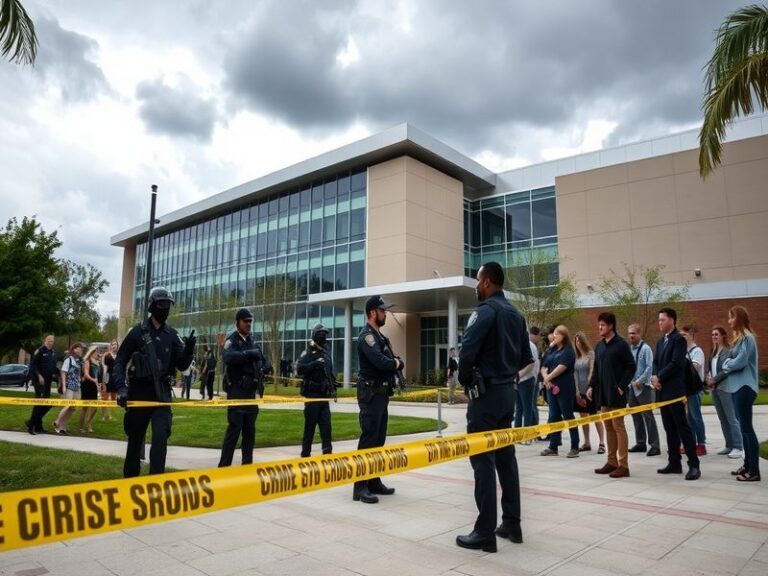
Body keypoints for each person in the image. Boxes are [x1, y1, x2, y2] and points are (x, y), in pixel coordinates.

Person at [456, 262, 532, 553]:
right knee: (505, 457)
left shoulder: (485, 311)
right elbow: (526, 357)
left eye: (477, 280)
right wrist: (504, 373)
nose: (476, 286)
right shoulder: (516, 314)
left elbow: (466, 354)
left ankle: (484, 531)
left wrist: (468, 382)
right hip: (507, 393)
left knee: (483, 460)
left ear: (486, 282)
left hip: (485, 397)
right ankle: (512, 523)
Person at [113, 287, 195, 477]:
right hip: (139, 393)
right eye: (162, 304)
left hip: (162, 394)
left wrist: (189, 350)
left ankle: (155, 484)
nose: (165, 308)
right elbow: (120, 361)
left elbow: (182, 365)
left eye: (168, 305)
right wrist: (121, 388)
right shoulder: (137, 332)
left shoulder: (172, 335)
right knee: (135, 441)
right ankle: (130, 482)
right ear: (152, 305)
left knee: (160, 439)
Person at [353, 295, 402, 505]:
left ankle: (373, 481)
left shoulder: (380, 337)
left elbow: (387, 361)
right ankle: (359, 486)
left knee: (379, 441)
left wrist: (394, 362)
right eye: (383, 311)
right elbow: (381, 362)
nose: (385, 314)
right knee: (368, 440)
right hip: (370, 395)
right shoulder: (367, 337)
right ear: (373, 313)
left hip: (381, 395)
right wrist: (397, 363)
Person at [711, 306, 760, 482]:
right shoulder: (740, 339)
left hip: (744, 388)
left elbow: (740, 362)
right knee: (743, 427)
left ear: (738, 318)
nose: (729, 321)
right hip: (737, 388)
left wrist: (727, 365)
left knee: (747, 429)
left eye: (731, 318)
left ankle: (754, 471)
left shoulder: (747, 338)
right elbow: (733, 358)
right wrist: (730, 362)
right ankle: (747, 464)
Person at [652, 307, 701, 481]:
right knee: (669, 428)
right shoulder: (660, 341)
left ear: (672, 320)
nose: (660, 323)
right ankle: (674, 462)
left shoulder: (678, 340)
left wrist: (660, 376)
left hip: (675, 391)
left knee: (683, 428)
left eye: (662, 320)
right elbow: (656, 362)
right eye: (659, 320)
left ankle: (694, 465)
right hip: (662, 392)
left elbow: (676, 363)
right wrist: (654, 377)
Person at [588, 312, 635, 479]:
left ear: (611, 326)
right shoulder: (599, 346)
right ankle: (611, 461)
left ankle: (623, 465)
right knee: (608, 427)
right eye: (599, 324)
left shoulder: (621, 345)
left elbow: (631, 366)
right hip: (603, 393)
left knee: (618, 427)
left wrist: (622, 386)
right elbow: (596, 369)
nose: (600, 327)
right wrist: (591, 386)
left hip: (616, 393)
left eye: (603, 325)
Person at [219, 308, 268, 467]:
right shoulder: (231, 341)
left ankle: (247, 466)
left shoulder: (252, 341)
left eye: (250, 321)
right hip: (237, 393)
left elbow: (264, 360)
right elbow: (227, 357)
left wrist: (265, 367)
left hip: (250, 395)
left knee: (249, 433)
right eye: (245, 321)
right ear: (237, 322)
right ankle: (223, 468)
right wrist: (248, 354)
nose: (248, 324)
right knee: (234, 432)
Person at [539, 325, 580, 458]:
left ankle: (575, 446)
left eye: (557, 334)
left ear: (563, 336)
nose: (554, 336)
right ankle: (553, 446)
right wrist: (546, 379)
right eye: (554, 334)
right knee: (554, 416)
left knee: (568, 415)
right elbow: (544, 366)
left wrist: (548, 377)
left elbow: (561, 367)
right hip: (551, 388)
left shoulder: (568, 352)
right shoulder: (552, 350)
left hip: (565, 388)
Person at [296, 323, 336, 457]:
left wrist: (333, 385)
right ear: (315, 335)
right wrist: (314, 364)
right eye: (321, 335)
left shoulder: (326, 352)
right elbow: (299, 369)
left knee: (326, 428)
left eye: (325, 335)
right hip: (312, 397)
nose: (324, 337)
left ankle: (327, 456)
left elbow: (330, 372)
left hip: (324, 397)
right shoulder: (308, 352)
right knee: (310, 429)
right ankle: (305, 456)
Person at [706, 326, 742, 459]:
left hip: (725, 388)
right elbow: (709, 369)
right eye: (712, 334)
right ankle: (729, 445)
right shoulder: (713, 351)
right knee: (722, 418)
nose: (714, 337)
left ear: (722, 336)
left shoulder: (728, 351)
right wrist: (707, 378)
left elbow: (727, 370)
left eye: (716, 334)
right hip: (715, 389)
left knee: (731, 418)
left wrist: (714, 379)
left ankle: (738, 447)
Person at [627, 324, 660, 456]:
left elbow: (649, 367)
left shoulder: (646, 349)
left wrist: (640, 381)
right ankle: (640, 443)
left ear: (640, 334)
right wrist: (630, 382)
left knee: (648, 417)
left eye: (634, 333)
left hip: (643, 388)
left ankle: (655, 446)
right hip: (631, 388)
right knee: (635, 416)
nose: (631, 336)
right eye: (629, 333)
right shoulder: (629, 349)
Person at [573, 332, 605, 453]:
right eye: (576, 341)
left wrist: (589, 386)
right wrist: (576, 391)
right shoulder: (576, 357)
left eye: (580, 341)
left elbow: (592, 369)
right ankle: (586, 442)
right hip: (579, 390)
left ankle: (602, 443)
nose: (578, 343)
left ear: (584, 341)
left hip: (590, 390)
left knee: (595, 415)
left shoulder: (591, 354)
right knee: (583, 417)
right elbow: (574, 374)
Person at [680, 325, 707, 455]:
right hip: (684, 389)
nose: (682, 338)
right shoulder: (682, 351)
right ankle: (690, 443)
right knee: (686, 418)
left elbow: (693, 368)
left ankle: (701, 444)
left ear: (691, 335)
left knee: (695, 417)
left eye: (684, 335)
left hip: (695, 390)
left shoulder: (697, 351)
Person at [25, 334, 57, 435]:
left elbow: (54, 368)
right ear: (45, 340)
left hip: (48, 382)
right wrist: (39, 376)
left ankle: (34, 423)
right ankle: (31, 427)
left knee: (47, 404)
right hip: (39, 381)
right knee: (39, 403)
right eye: (48, 340)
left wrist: (59, 377)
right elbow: (33, 365)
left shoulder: (53, 353)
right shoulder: (40, 351)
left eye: (52, 341)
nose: (50, 342)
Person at [53, 342, 84, 435]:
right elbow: (63, 372)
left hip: (77, 387)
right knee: (67, 405)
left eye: (81, 349)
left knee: (72, 408)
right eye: (78, 348)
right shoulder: (68, 360)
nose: (81, 350)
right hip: (69, 386)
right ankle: (57, 422)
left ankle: (63, 427)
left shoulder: (80, 361)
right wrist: (63, 386)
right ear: (74, 349)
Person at [514, 329, 539, 437]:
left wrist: (520, 375)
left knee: (527, 408)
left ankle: (528, 434)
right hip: (518, 380)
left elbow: (533, 363)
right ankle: (518, 433)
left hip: (527, 380)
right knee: (519, 408)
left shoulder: (530, 346)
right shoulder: (518, 344)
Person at [79, 346, 100, 433]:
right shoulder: (87, 361)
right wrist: (94, 380)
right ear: (92, 352)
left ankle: (89, 424)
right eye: (96, 352)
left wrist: (97, 384)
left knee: (95, 408)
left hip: (94, 385)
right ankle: (80, 427)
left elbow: (97, 375)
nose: (97, 353)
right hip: (87, 385)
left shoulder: (97, 362)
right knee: (85, 407)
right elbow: (86, 374)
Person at [101, 339, 119, 421]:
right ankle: (104, 415)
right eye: (113, 344)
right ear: (110, 346)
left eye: (115, 344)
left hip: (116, 378)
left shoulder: (119, 355)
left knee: (113, 398)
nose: (114, 346)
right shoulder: (107, 355)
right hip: (108, 377)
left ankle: (110, 415)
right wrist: (104, 381)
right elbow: (104, 368)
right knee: (105, 397)